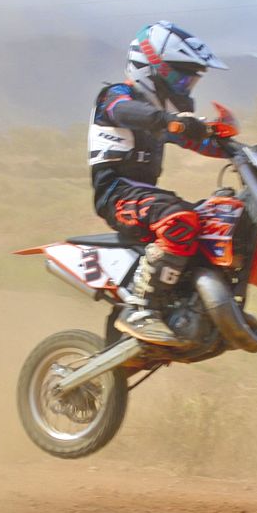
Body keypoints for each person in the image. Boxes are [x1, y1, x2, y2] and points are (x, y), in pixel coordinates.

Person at [89, 21, 228, 347]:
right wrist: (172, 122)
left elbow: (202, 145)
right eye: (181, 78)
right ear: (151, 69)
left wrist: (249, 153)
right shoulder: (117, 97)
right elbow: (123, 111)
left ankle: (190, 307)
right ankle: (140, 310)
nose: (186, 87)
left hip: (147, 197)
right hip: (118, 196)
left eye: (190, 81)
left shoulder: (162, 118)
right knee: (180, 220)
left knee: (216, 222)